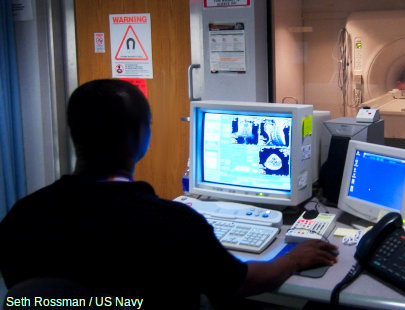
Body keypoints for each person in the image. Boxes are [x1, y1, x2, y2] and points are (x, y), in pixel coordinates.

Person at [0, 79, 338, 309]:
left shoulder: (22, 216)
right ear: (142, 137)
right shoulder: (171, 224)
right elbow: (240, 282)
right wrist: (293, 258)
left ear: (73, 133)